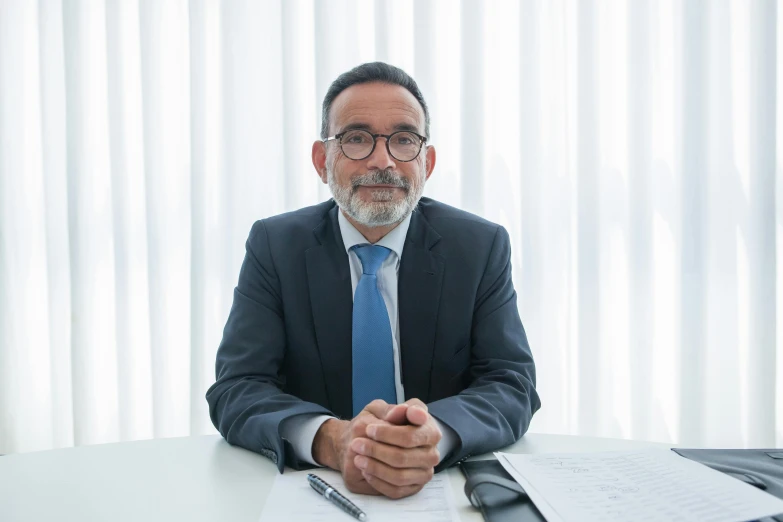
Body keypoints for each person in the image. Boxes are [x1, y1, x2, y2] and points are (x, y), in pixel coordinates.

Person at [206, 62, 540, 500]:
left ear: (427, 162)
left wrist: (430, 436)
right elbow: (238, 387)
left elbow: (510, 382)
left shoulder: (479, 246)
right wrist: (333, 439)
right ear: (322, 160)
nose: (383, 161)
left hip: (443, 490)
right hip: (311, 492)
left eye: (404, 140)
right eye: (357, 138)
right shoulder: (274, 245)